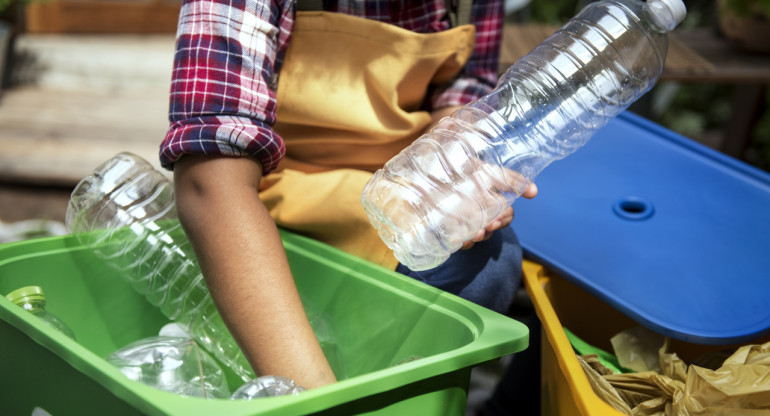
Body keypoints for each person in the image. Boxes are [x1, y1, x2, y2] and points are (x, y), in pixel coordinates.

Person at [160, 0, 537, 391]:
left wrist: (452, 171)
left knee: (488, 261)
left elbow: (459, 97)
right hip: (269, 197)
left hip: (391, 192)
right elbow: (209, 180)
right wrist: (315, 398)